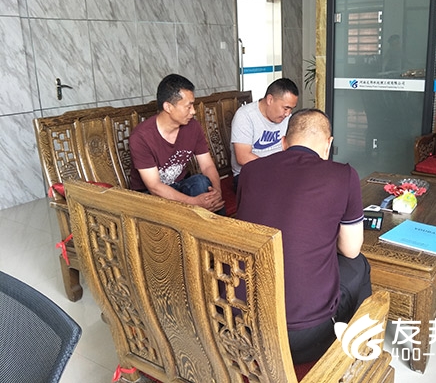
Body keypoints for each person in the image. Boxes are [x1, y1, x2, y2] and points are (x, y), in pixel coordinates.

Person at [236, 108, 372, 363]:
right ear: (328, 144)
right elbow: (351, 249)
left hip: (244, 326)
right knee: (359, 263)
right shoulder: (343, 175)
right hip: (303, 338)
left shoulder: (250, 171)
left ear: (283, 142)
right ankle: (357, 355)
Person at [129, 74, 225, 213]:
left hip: (180, 185)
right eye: (188, 106)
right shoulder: (141, 137)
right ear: (168, 107)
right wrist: (194, 203)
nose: (193, 111)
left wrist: (217, 192)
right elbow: (154, 186)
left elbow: (207, 165)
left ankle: (218, 226)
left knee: (201, 182)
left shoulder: (193, 126)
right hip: (150, 196)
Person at [230, 78, 299, 189]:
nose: (288, 114)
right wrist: (275, 168)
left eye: (291, 109)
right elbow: (243, 157)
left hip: (279, 171)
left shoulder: (287, 118)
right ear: (270, 100)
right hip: (250, 173)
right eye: (286, 108)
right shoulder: (245, 116)